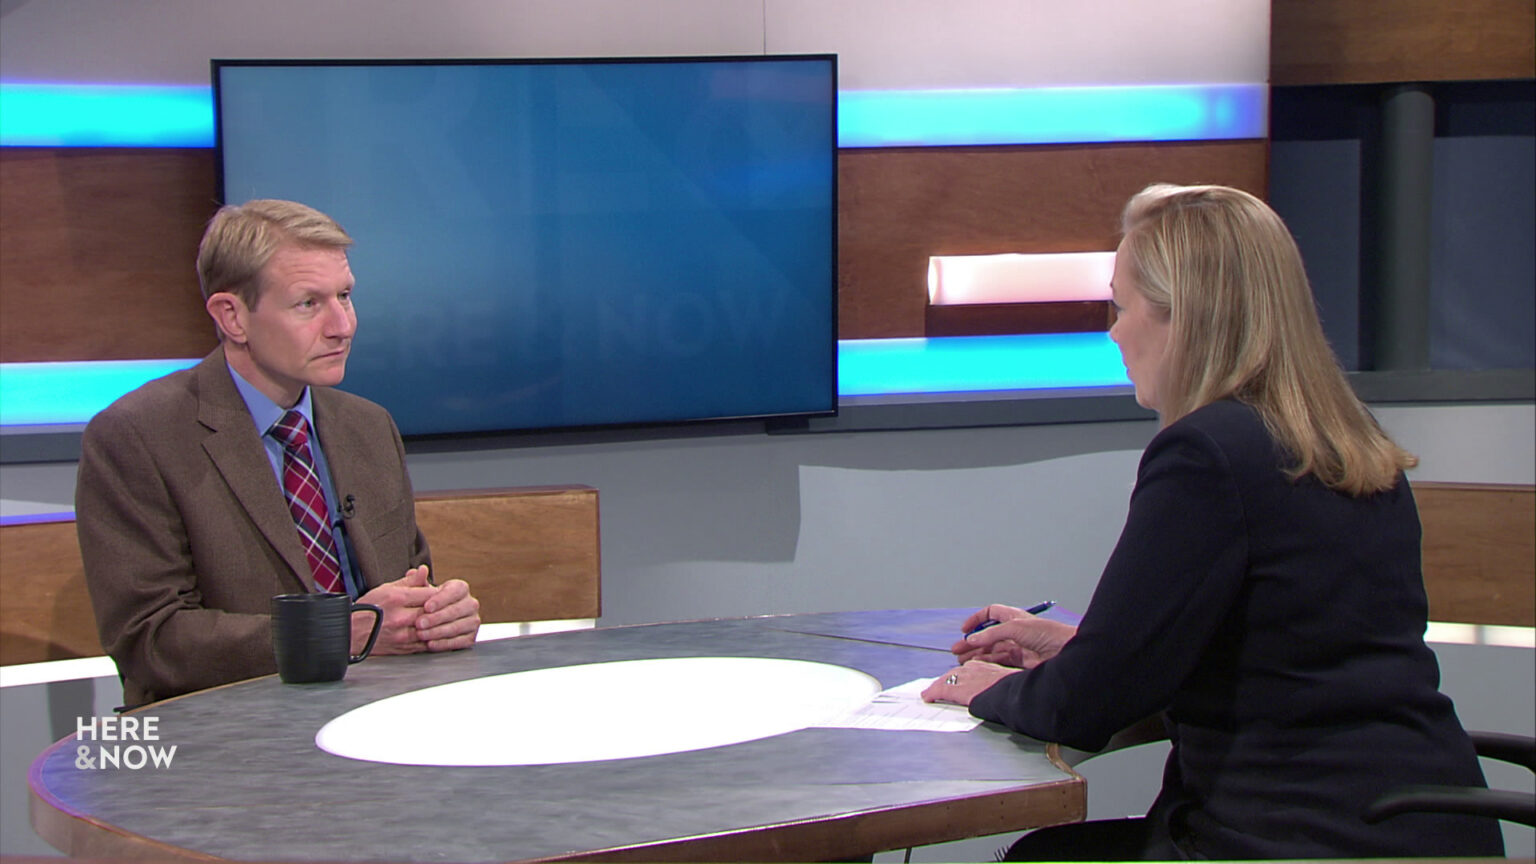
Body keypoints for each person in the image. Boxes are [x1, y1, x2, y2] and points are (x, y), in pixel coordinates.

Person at [922, 184, 1504, 859]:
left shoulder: (1207, 454)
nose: (1113, 330)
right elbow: (1281, 651)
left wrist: (993, 692)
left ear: (1183, 317)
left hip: (1298, 839)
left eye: (1122, 304)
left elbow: (1086, 706)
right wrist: (1076, 646)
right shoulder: (1344, 439)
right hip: (1423, 822)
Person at [77, 199, 481, 709]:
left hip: (379, 714)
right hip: (220, 737)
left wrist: (435, 616)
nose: (343, 326)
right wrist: (339, 635)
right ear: (233, 316)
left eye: (345, 296)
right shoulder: (137, 437)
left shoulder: (369, 427)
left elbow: (403, 588)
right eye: (308, 304)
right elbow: (151, 639)